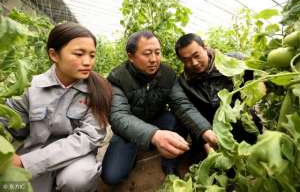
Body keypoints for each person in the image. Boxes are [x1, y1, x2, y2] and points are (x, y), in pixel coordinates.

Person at [0, 23, 112, 192]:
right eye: (79, 54)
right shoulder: (31, 87)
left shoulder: (98, 90)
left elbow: (88, 138)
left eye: (92, 55)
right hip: (34, 151)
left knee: (77, 180)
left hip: (76, 156)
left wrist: (25, 163)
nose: (88, 62)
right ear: (54, 55)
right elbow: (10, 124)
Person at [101, 31, 218, 185]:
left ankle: (169, 164)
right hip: (127, 130)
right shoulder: (117, 78)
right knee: (112, 176)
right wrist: (153, 136)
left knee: (175, 117)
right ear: (131, 56)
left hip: (157, 119)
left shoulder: (167, 74)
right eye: (147, 54)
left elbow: (182, 104)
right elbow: (118, 116)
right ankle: (136, 148)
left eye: (157, 52)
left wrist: (205, 130)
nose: (154, 59)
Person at [175, 33, 261, 159]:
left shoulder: (233, 61)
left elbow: (259, 78)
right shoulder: (184, 82)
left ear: (205, 47)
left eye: (196, 56)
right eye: (186, 60)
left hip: (240, 119)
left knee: (253, 150)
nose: (194, 63)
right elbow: (191, 113)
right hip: (211, 128)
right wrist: (205, 142)